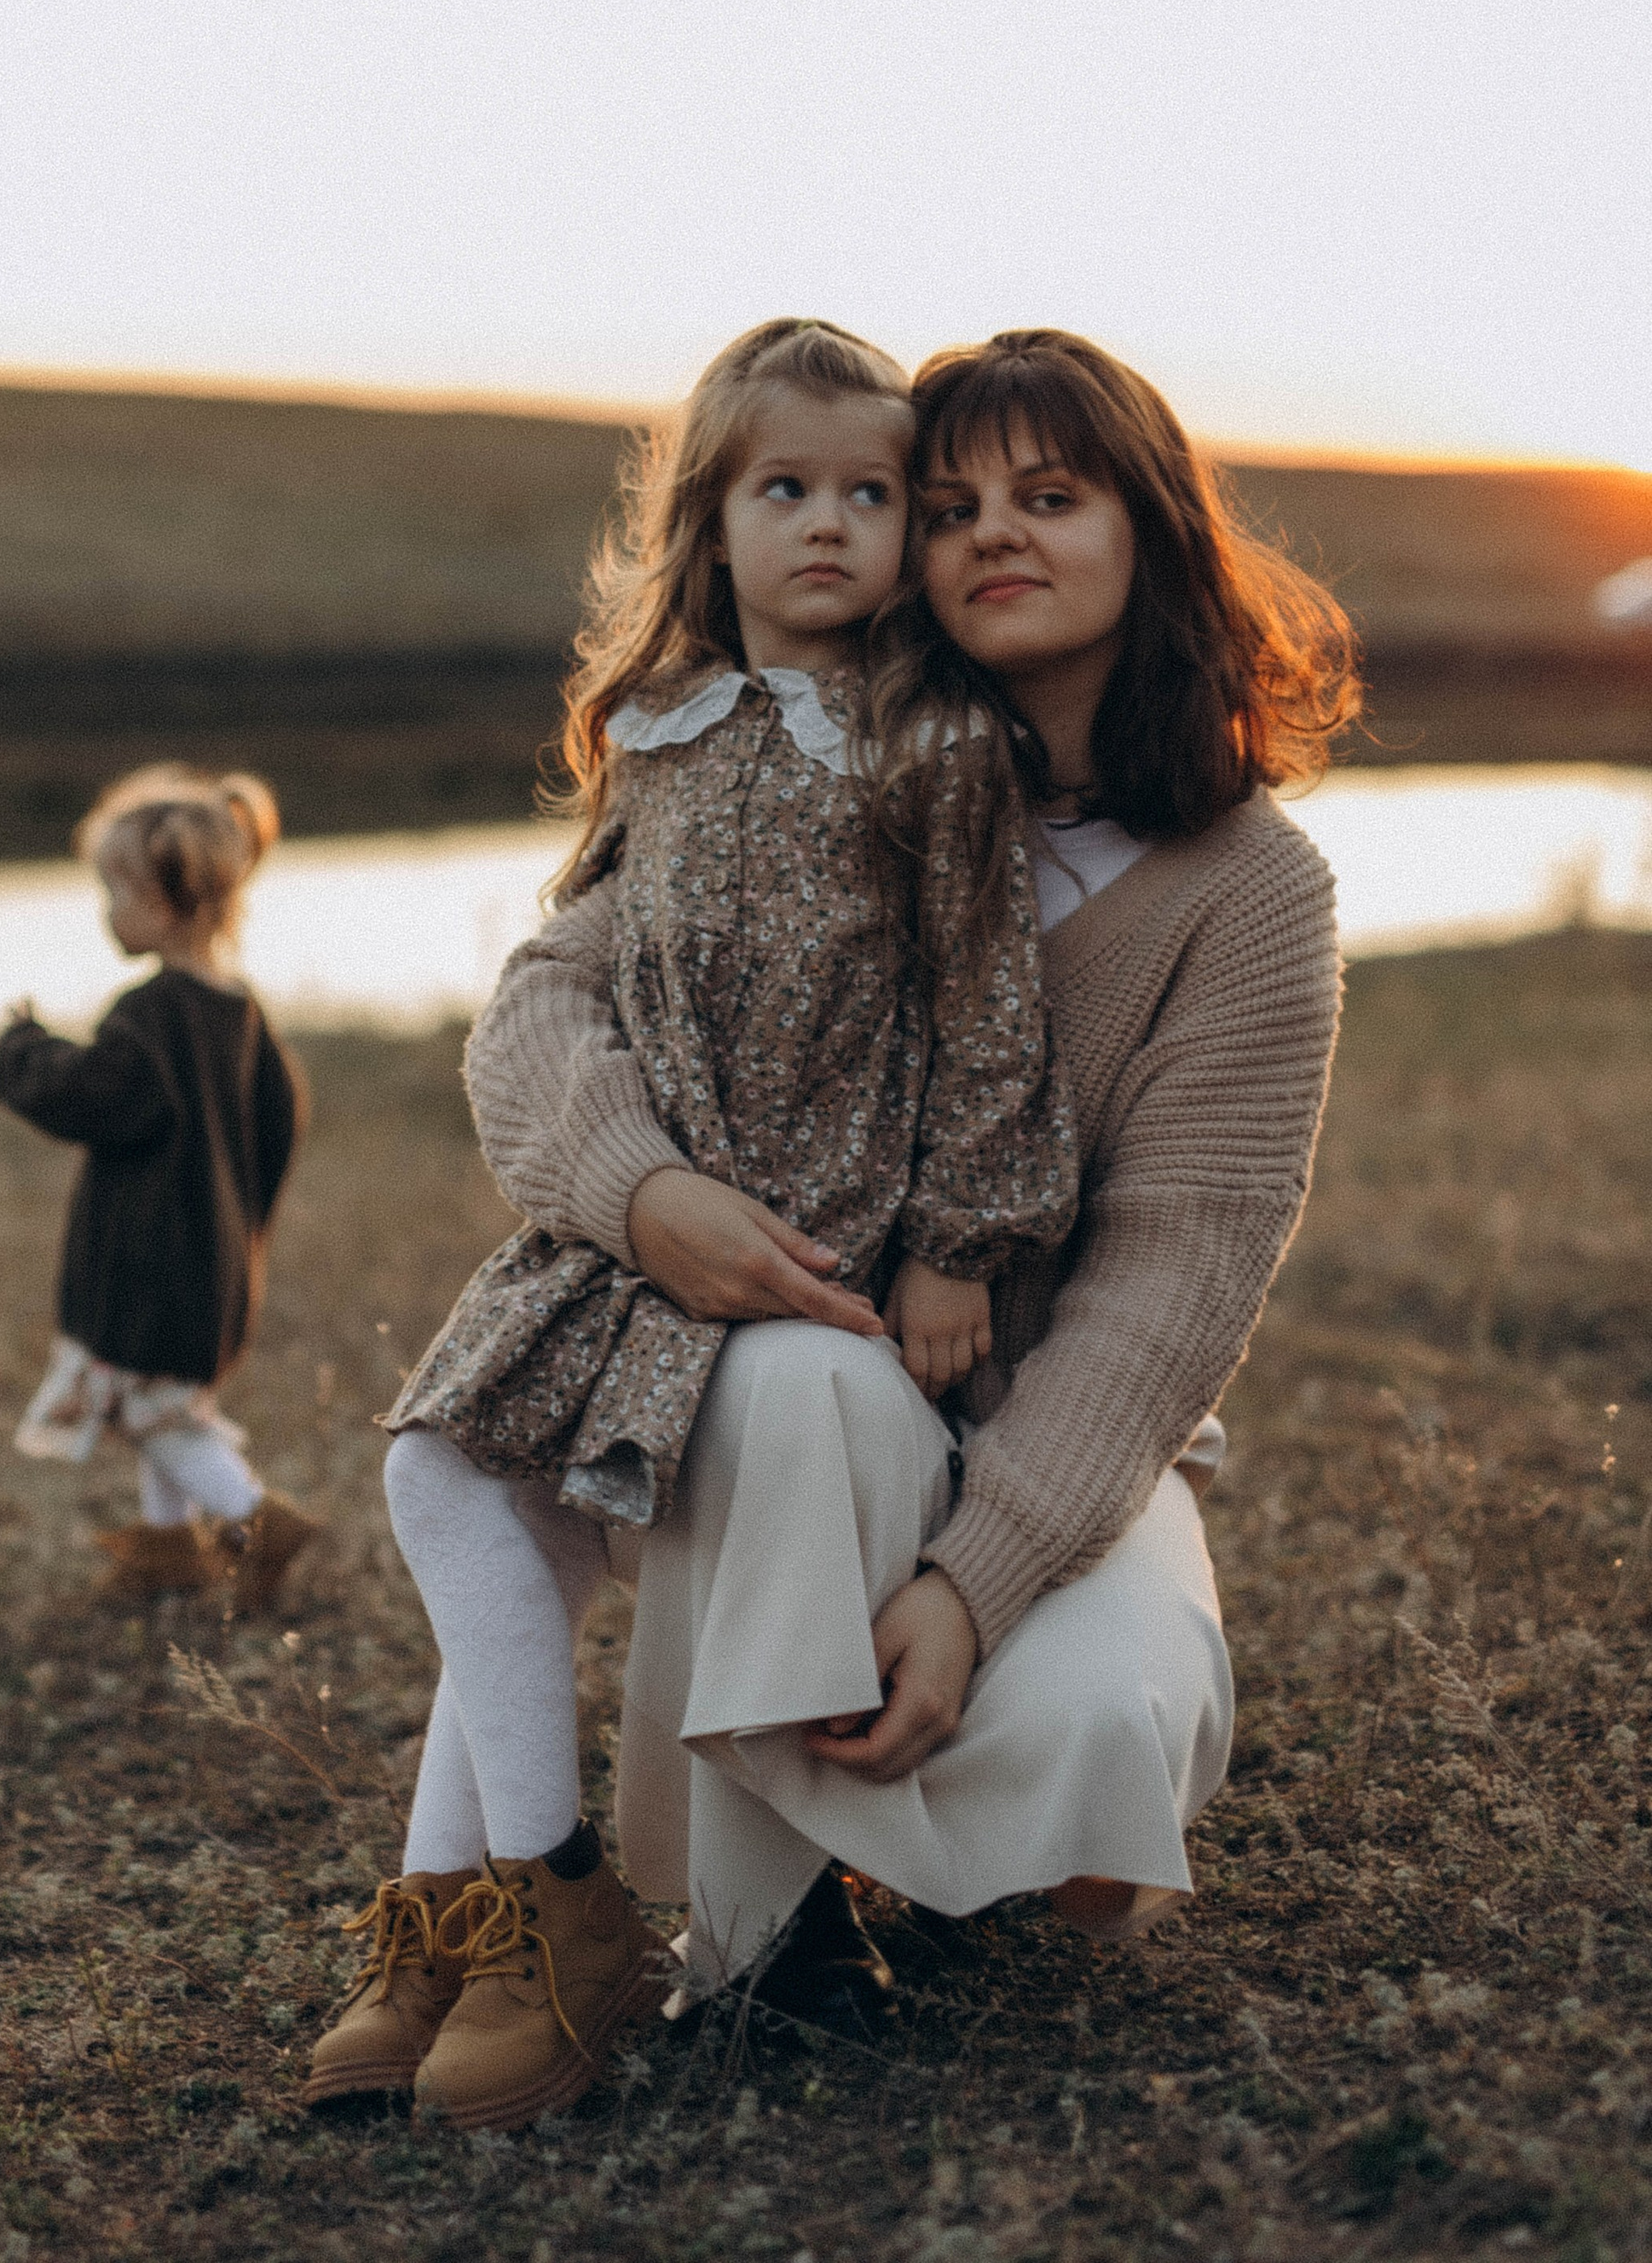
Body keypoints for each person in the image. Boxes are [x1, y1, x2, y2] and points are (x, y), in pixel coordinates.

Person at [461, 329, 1354, 2016]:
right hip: (778, 1415)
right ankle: (748, 1953)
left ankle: (924, 1804)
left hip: (1042, 1446)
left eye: (1050, 495)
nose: (992, 533)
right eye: (945, 506)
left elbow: (1169, 1285)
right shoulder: (806, 768)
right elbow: (542, 1000)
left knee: (1089, 1742)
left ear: (1147, 530)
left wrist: (971, 1585)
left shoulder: (1249, 891)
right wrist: (640, 1194)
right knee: (801, 1384)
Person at [308, 319, 1081, 2128]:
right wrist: (631, 1183)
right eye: (780, 488)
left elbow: (986, 1002)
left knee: (485, 1503)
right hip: (639, 1234)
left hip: (806, 1242)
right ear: (707, 521)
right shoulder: (648, 733)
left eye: (869, 494)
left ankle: (527, 1919)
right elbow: (563, 974)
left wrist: (962, 1234)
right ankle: (499, 1912)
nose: (827, 525)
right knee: (450, 1479)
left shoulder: (931, 741)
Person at [0, 764, 320, 1613]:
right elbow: (283, 1118)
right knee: (162, 1408)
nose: (107, 911)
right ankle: (166, 1555)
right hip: (212, 1259)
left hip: (151, 1265)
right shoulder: (237, 1008)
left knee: (150, 1413)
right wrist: (240, 1212)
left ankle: (256, 1519)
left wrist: (23, 1052)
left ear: (174, 899)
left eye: (117, 890)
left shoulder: (151, 1013)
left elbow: (93, 1095)